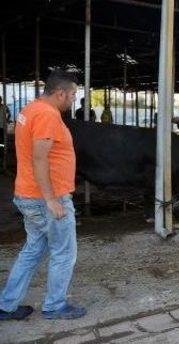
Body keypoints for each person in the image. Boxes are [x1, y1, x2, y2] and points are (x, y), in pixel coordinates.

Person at [0, 70, 86, 321]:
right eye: (72, 95)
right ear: (60, 93)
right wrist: (51, 199)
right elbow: (40, 158)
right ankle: (55, 306)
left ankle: (6, 305)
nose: (73, 99)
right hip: (46, 199)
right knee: (64, 252)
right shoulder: (48, 115)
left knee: (33, 249)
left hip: (28, 193)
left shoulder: (30, 109)